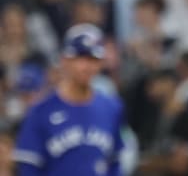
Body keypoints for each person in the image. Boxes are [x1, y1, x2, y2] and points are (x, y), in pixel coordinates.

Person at [12, 23, 125, 176]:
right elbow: (29, 168)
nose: (86, 66)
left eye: (93, 59)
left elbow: (114, 163)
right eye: (80, 58)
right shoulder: (40, 112)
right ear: (65, 60)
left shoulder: (112, 108)